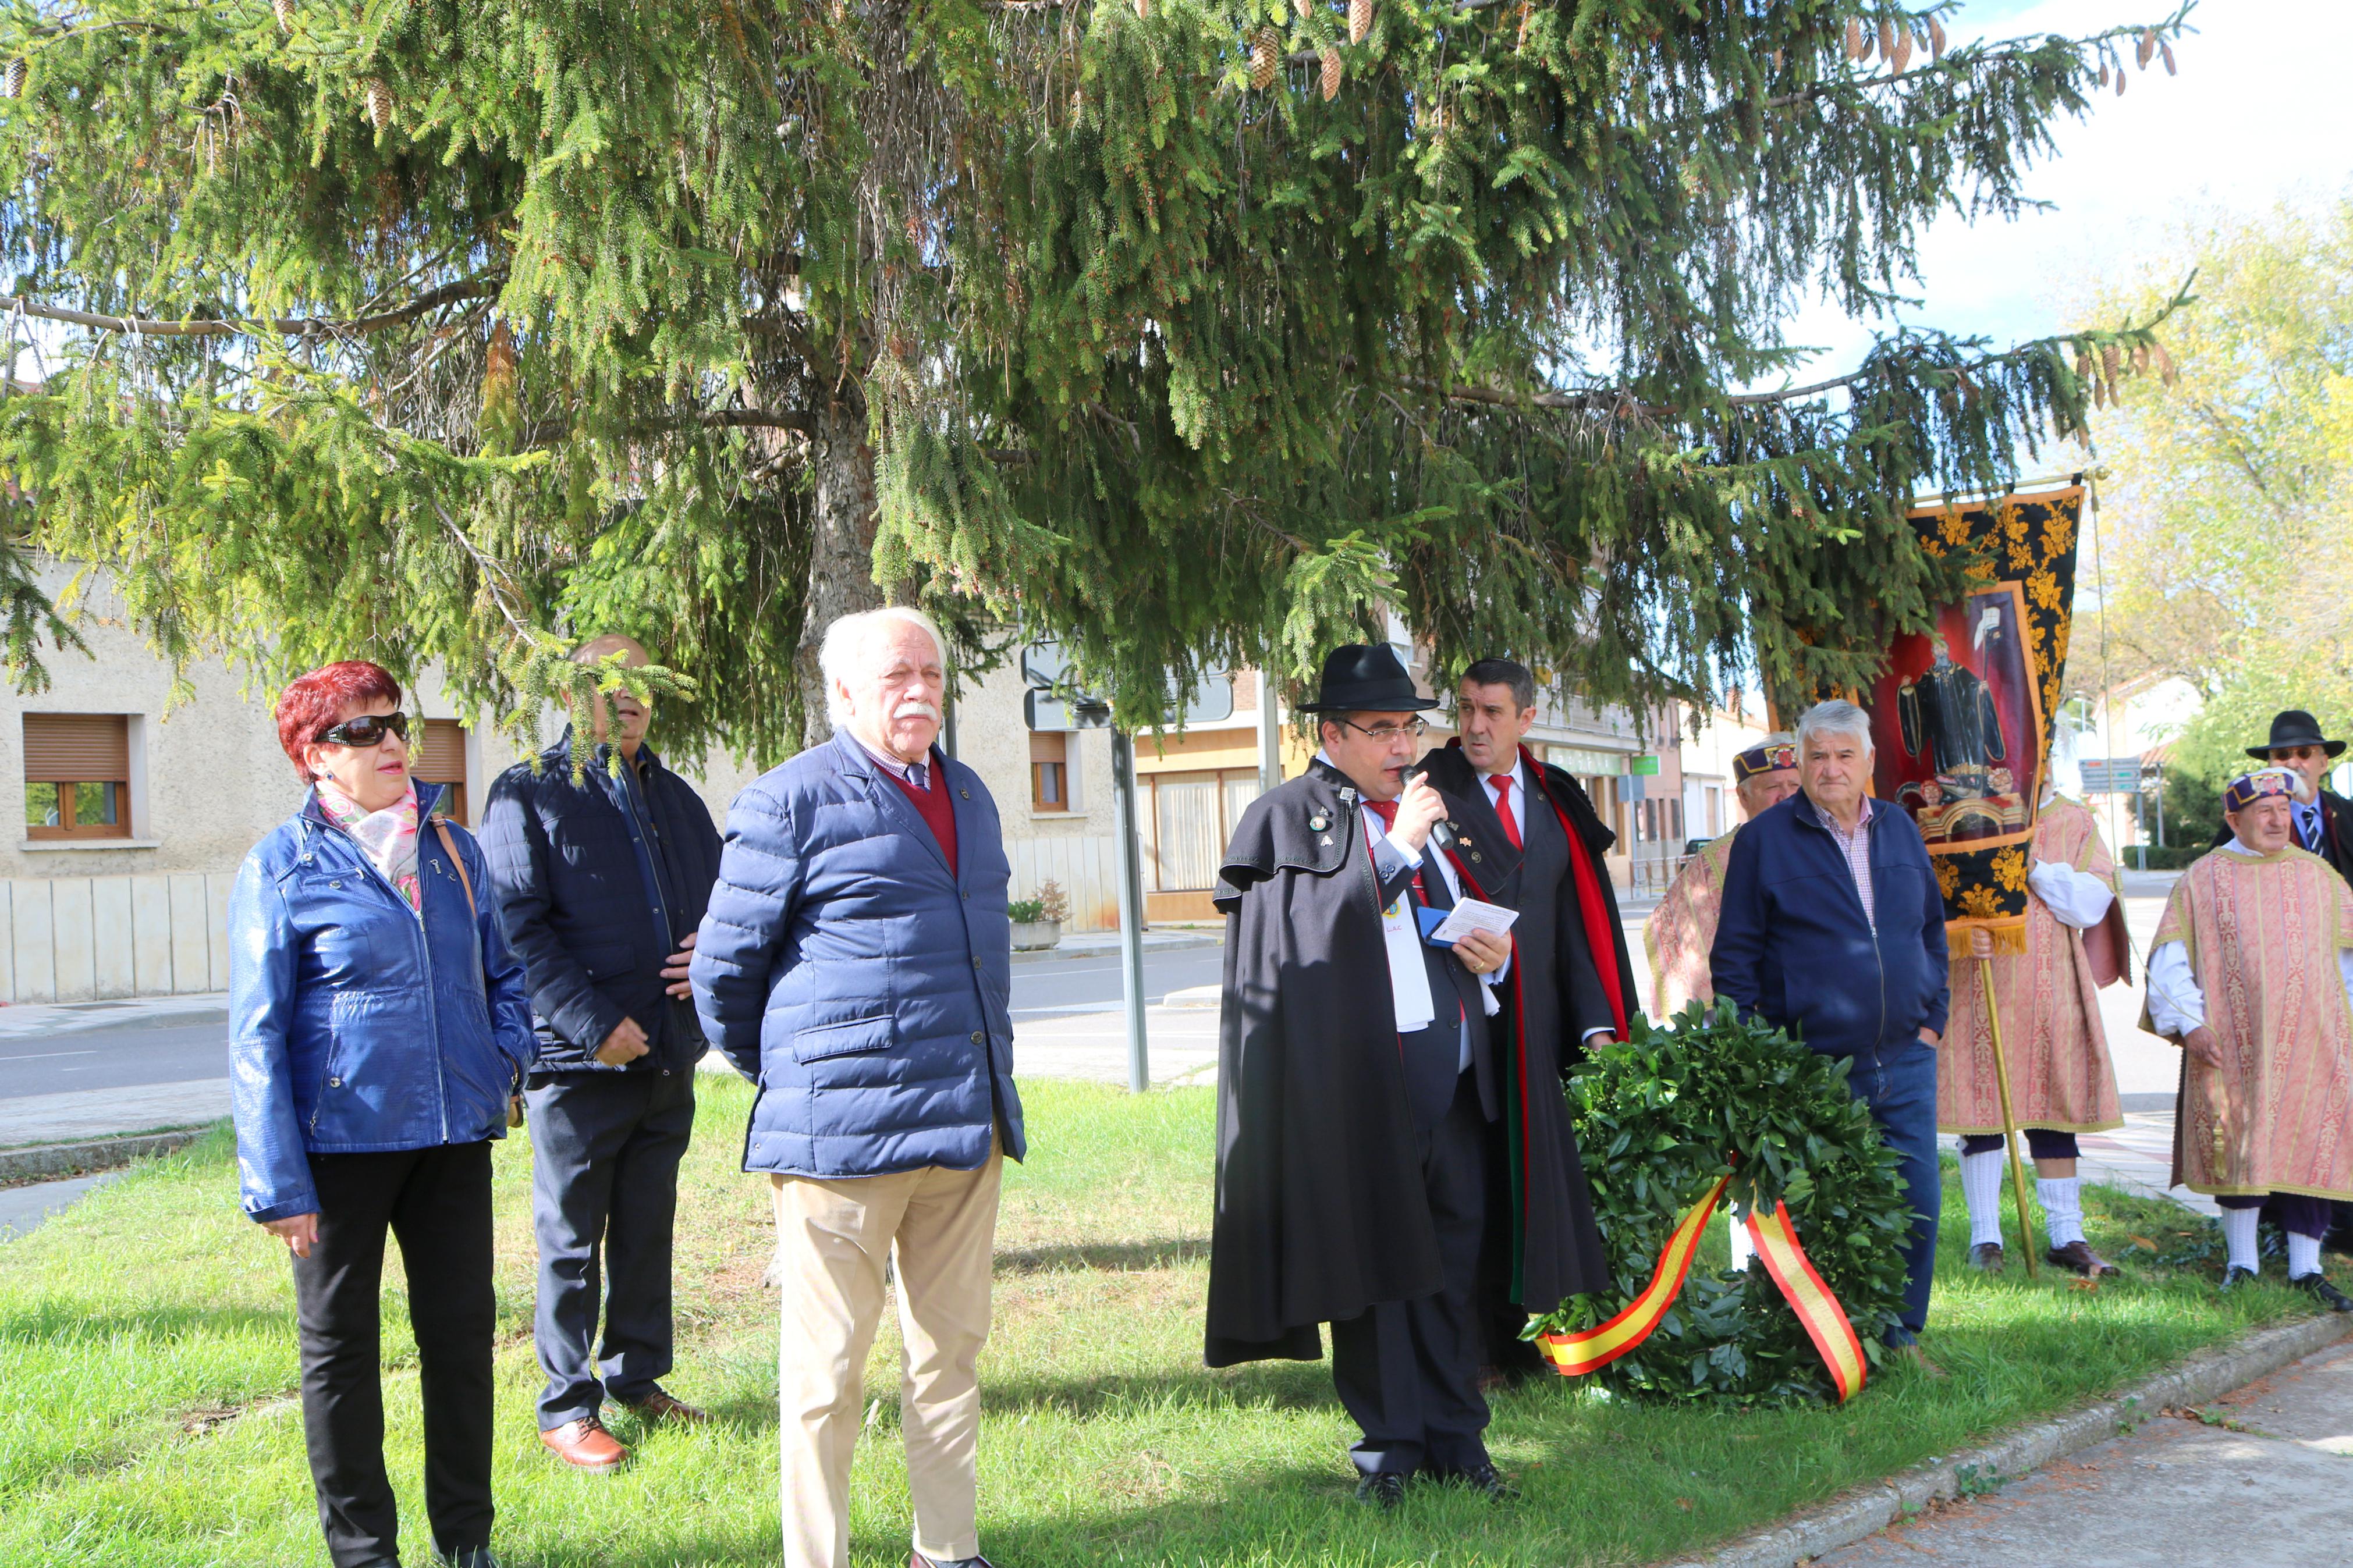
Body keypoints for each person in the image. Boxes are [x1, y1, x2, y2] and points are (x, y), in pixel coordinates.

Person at [691, 606, 1020, 1568]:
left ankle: (946, 1552)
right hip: (839, 1141)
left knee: (949, 1356)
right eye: (893, 677)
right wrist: (796, 1073)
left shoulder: (970, 793)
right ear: (841, 694)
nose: (917, 691)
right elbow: (723, 973)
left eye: (929, 673)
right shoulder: (787, 801)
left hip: (963, 1130)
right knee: (827, 1372)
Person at [1208, 643, 1532, 1509]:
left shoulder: (1423, 815)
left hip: (1451, 1083)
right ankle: (1388, 1449)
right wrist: (1393, 849)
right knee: (1374, 1270)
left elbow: (1450, 930)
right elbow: (1302, 941)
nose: (1402, 744)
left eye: (1408, 726)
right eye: (1381, 729)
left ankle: (1456, 1437)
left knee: (1451, 1261)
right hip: (1356, 1091)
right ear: (1330, 733)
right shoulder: (1285, 817)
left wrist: (1491, 960)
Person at [228, 661, 535, 1568]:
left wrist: (502, 1057)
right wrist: (278, 1180)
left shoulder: (453, 850)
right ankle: (365, 1550)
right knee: (340, 1356)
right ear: (315, 756)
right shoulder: (281, 864)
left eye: (395, 723)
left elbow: (506, 977)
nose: (395, 742)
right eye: (364, 730)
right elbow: (255, 1034)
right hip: (337, 1150)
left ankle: (466, 1539)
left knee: (461, 1344)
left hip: (450, 1139)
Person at [479, 634, 725, 1470]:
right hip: (581, 1064)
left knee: (649, 1225)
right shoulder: (527, 792)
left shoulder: (680, 799)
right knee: (571, 1238)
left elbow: (725, 904)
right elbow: (518, 928)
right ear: (572, 689)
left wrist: (712, 953)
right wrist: (592, 1023)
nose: (628, 697)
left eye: (642, 683)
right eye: (606, 681)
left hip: (668, 1054)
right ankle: (563, 1404)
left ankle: (636, 1374)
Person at [1710, 698, 1951, 1371]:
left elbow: (1930, 930)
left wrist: (1934, 1021)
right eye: (1817, 755)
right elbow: (1733, 959)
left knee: (1916, 1197)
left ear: (1868, 763)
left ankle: (1901, 1336)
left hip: (1904, 1056)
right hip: (1812, 1062)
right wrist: (1763, 1053)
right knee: (1823, 1204)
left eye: (1845, 755)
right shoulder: (1762, 842)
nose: (1830, 768)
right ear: (1800, 762)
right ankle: (1828, 1340)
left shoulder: (1900, 829)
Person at [1414, 657, 1621, 1383]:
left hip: (1539, 1033)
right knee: (1469, 1196)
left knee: (1530, 1191)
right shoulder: (1426, 794)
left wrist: (1596, 1023)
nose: (1473, 725)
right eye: (1465, 708)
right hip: (1465, 1029)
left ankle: (1530, 1342)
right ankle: (1471, 1355)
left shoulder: (1553, 796)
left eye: (1491, 711)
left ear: (1525, 719)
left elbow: (1574, 922)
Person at [2143, 767, 2353, 1310]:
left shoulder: (2321, 878)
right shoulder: (2202, 878)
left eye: (2282, 809)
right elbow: (2169, 962)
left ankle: (2306, 1267)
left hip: (2315, 1044)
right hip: (2231, 1043)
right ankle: (2242, 1261)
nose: (2276, 819)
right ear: (2233, 818)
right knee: (2239, 1143)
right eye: (2262, 811)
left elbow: (2347, 964)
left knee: (2311, 1145)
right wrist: (2190, 1024)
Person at [1940, 789, 2132, 1276]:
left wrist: (2032, 866)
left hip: (2051, 985)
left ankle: (2066, 1234)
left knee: (2055, 1105)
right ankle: (1986, 1237)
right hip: (1975, 977)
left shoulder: (2071, 818)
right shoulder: (1958, 810)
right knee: (1980, 1106)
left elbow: (2090, 904)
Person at [1644, 734, 1801, 1018]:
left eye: (1795, 786)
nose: (1786, 797)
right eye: (1773, 787)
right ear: (1743, 796)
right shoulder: (1711, 862)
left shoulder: (1832, 844)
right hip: (1751, 1013)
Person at [2208, 711, 2351, 884]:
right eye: (2282, 755)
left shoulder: (2348, 814)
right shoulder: (2248, 818)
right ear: (2270, 765)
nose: (2292, 764)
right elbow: (2212, 877)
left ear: (2323, 764)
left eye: (2304, 753)